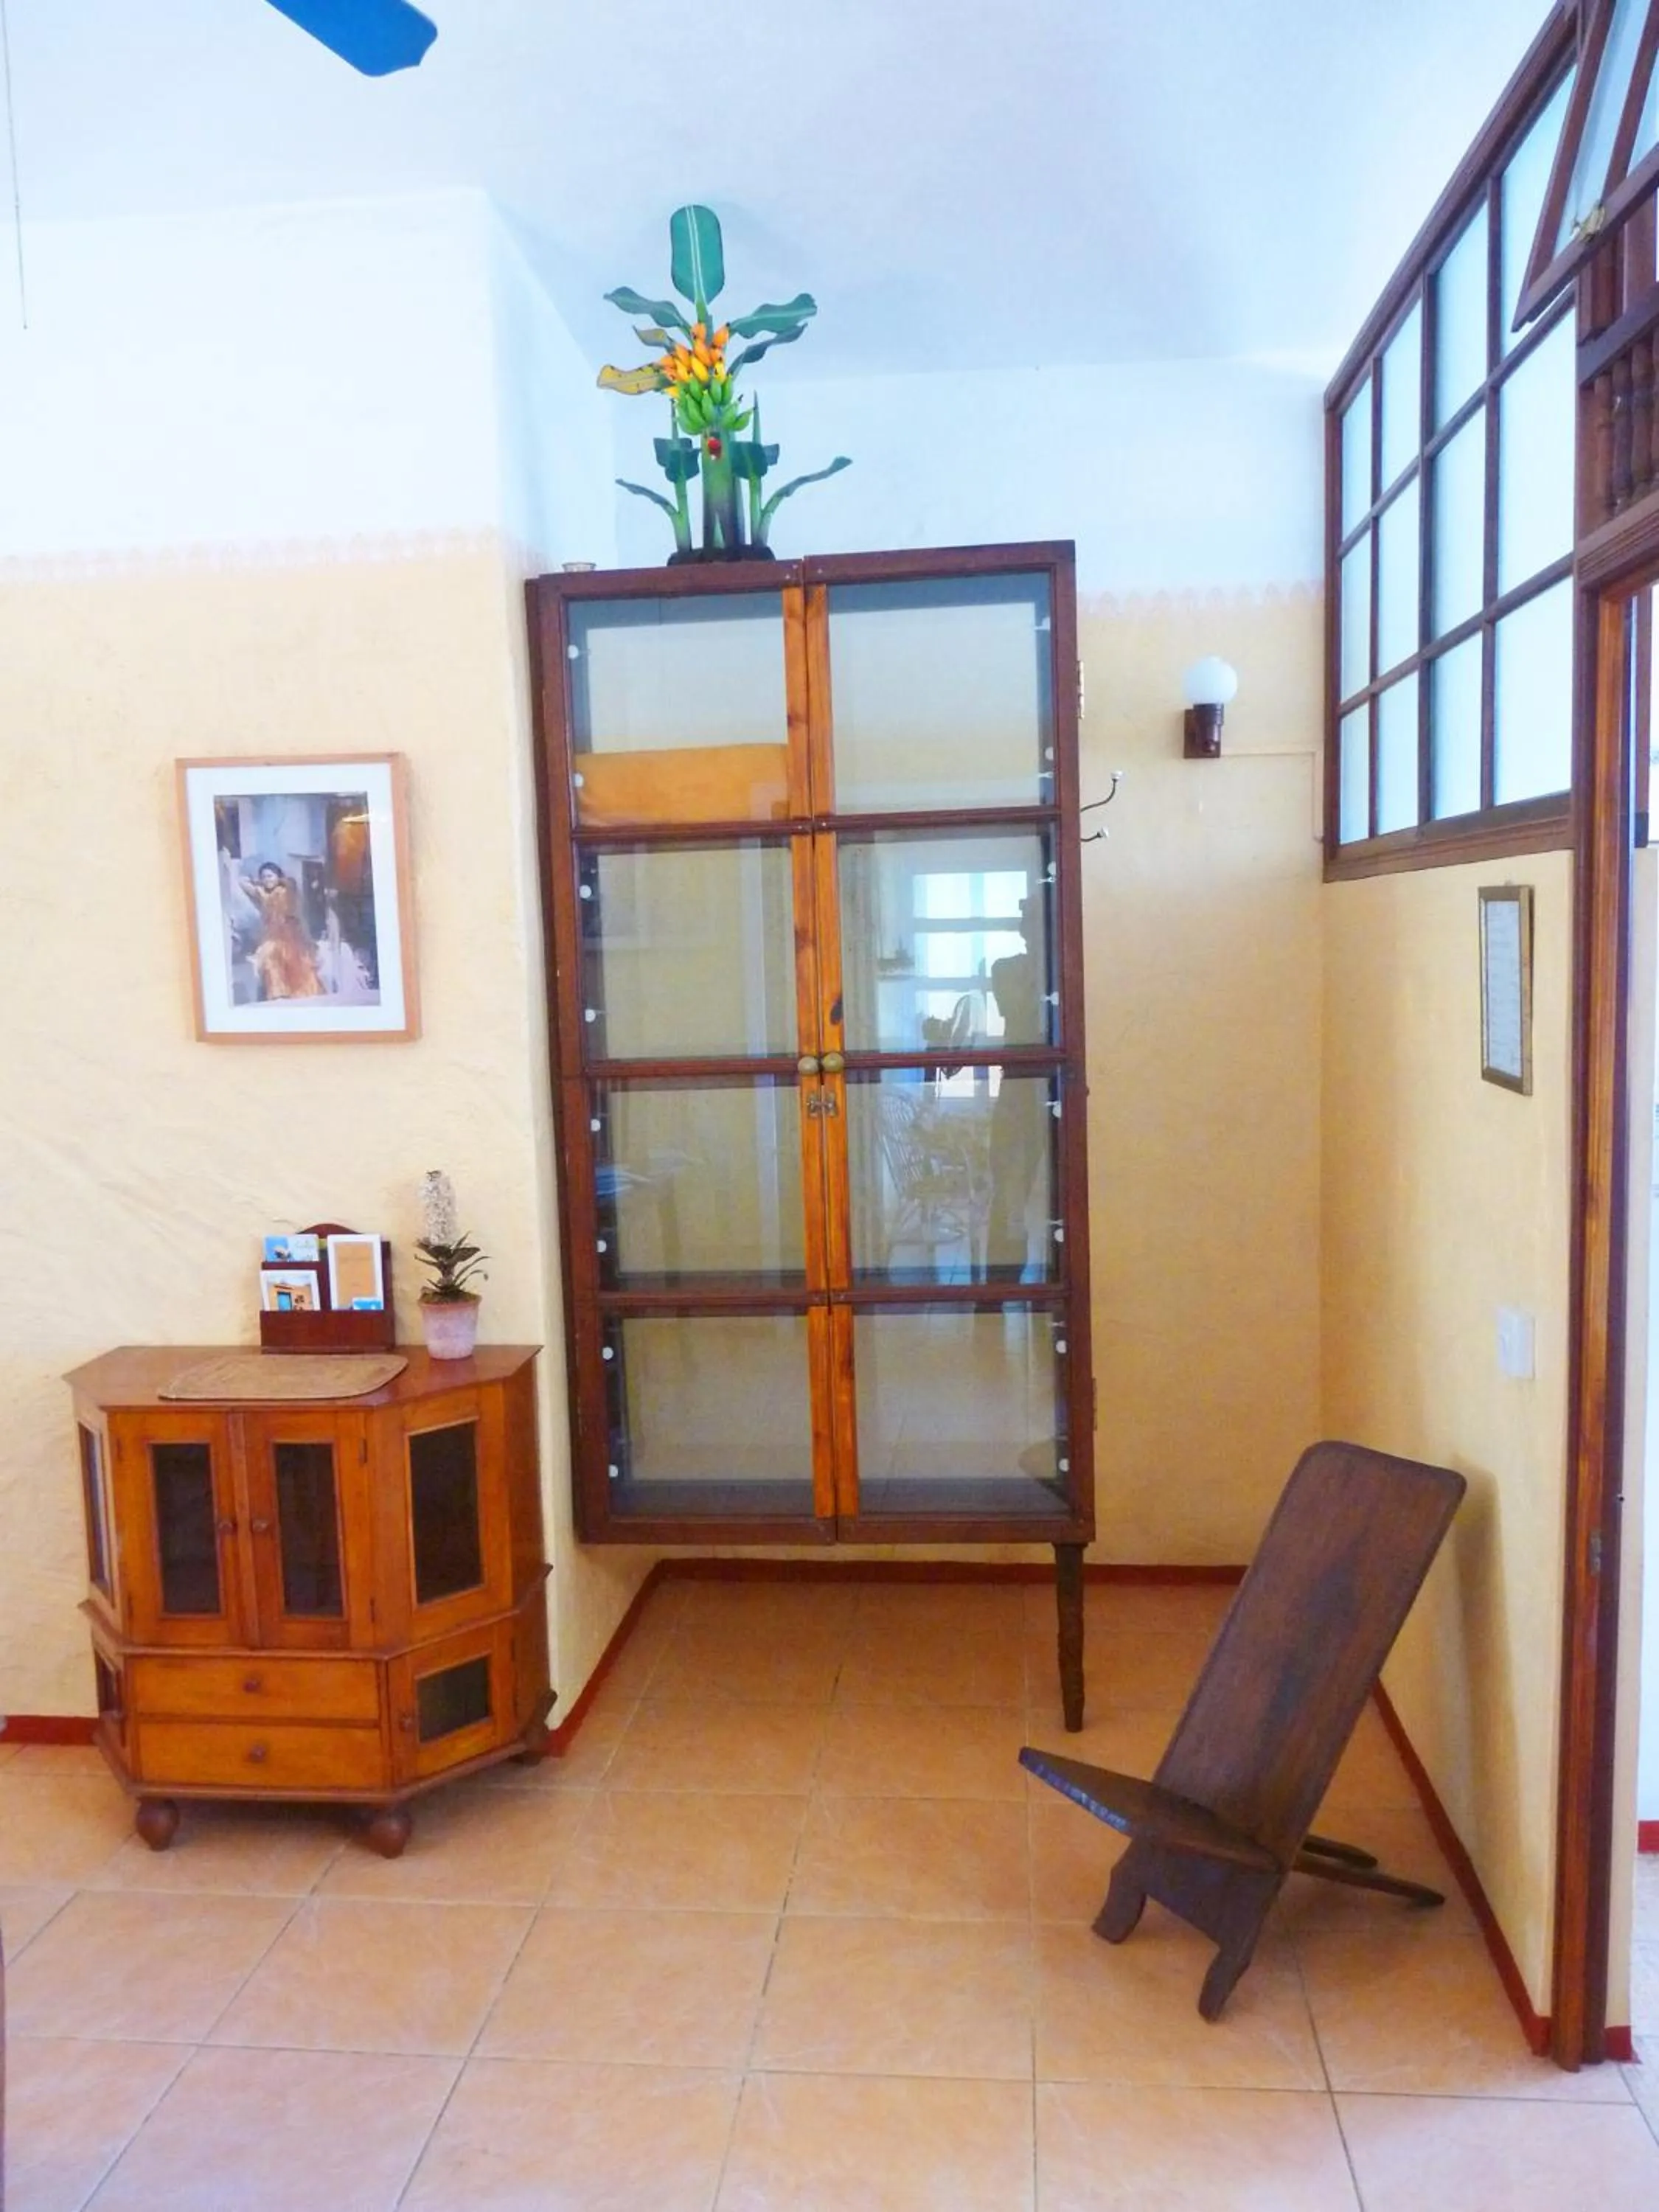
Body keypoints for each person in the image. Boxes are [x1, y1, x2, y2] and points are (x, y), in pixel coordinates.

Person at [240, 861, 323, 1000]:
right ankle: (278, 993)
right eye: (264, 877)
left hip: (291, 932)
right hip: (271, 934)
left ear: (278, 876)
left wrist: (278, 879)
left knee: (298, 966)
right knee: (271, 960)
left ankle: (303, 992)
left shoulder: (287, 889)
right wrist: (257, 882)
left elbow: (291, 882)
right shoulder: (262, 894)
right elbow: (242, 883)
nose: (267, 880)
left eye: (270, 876)